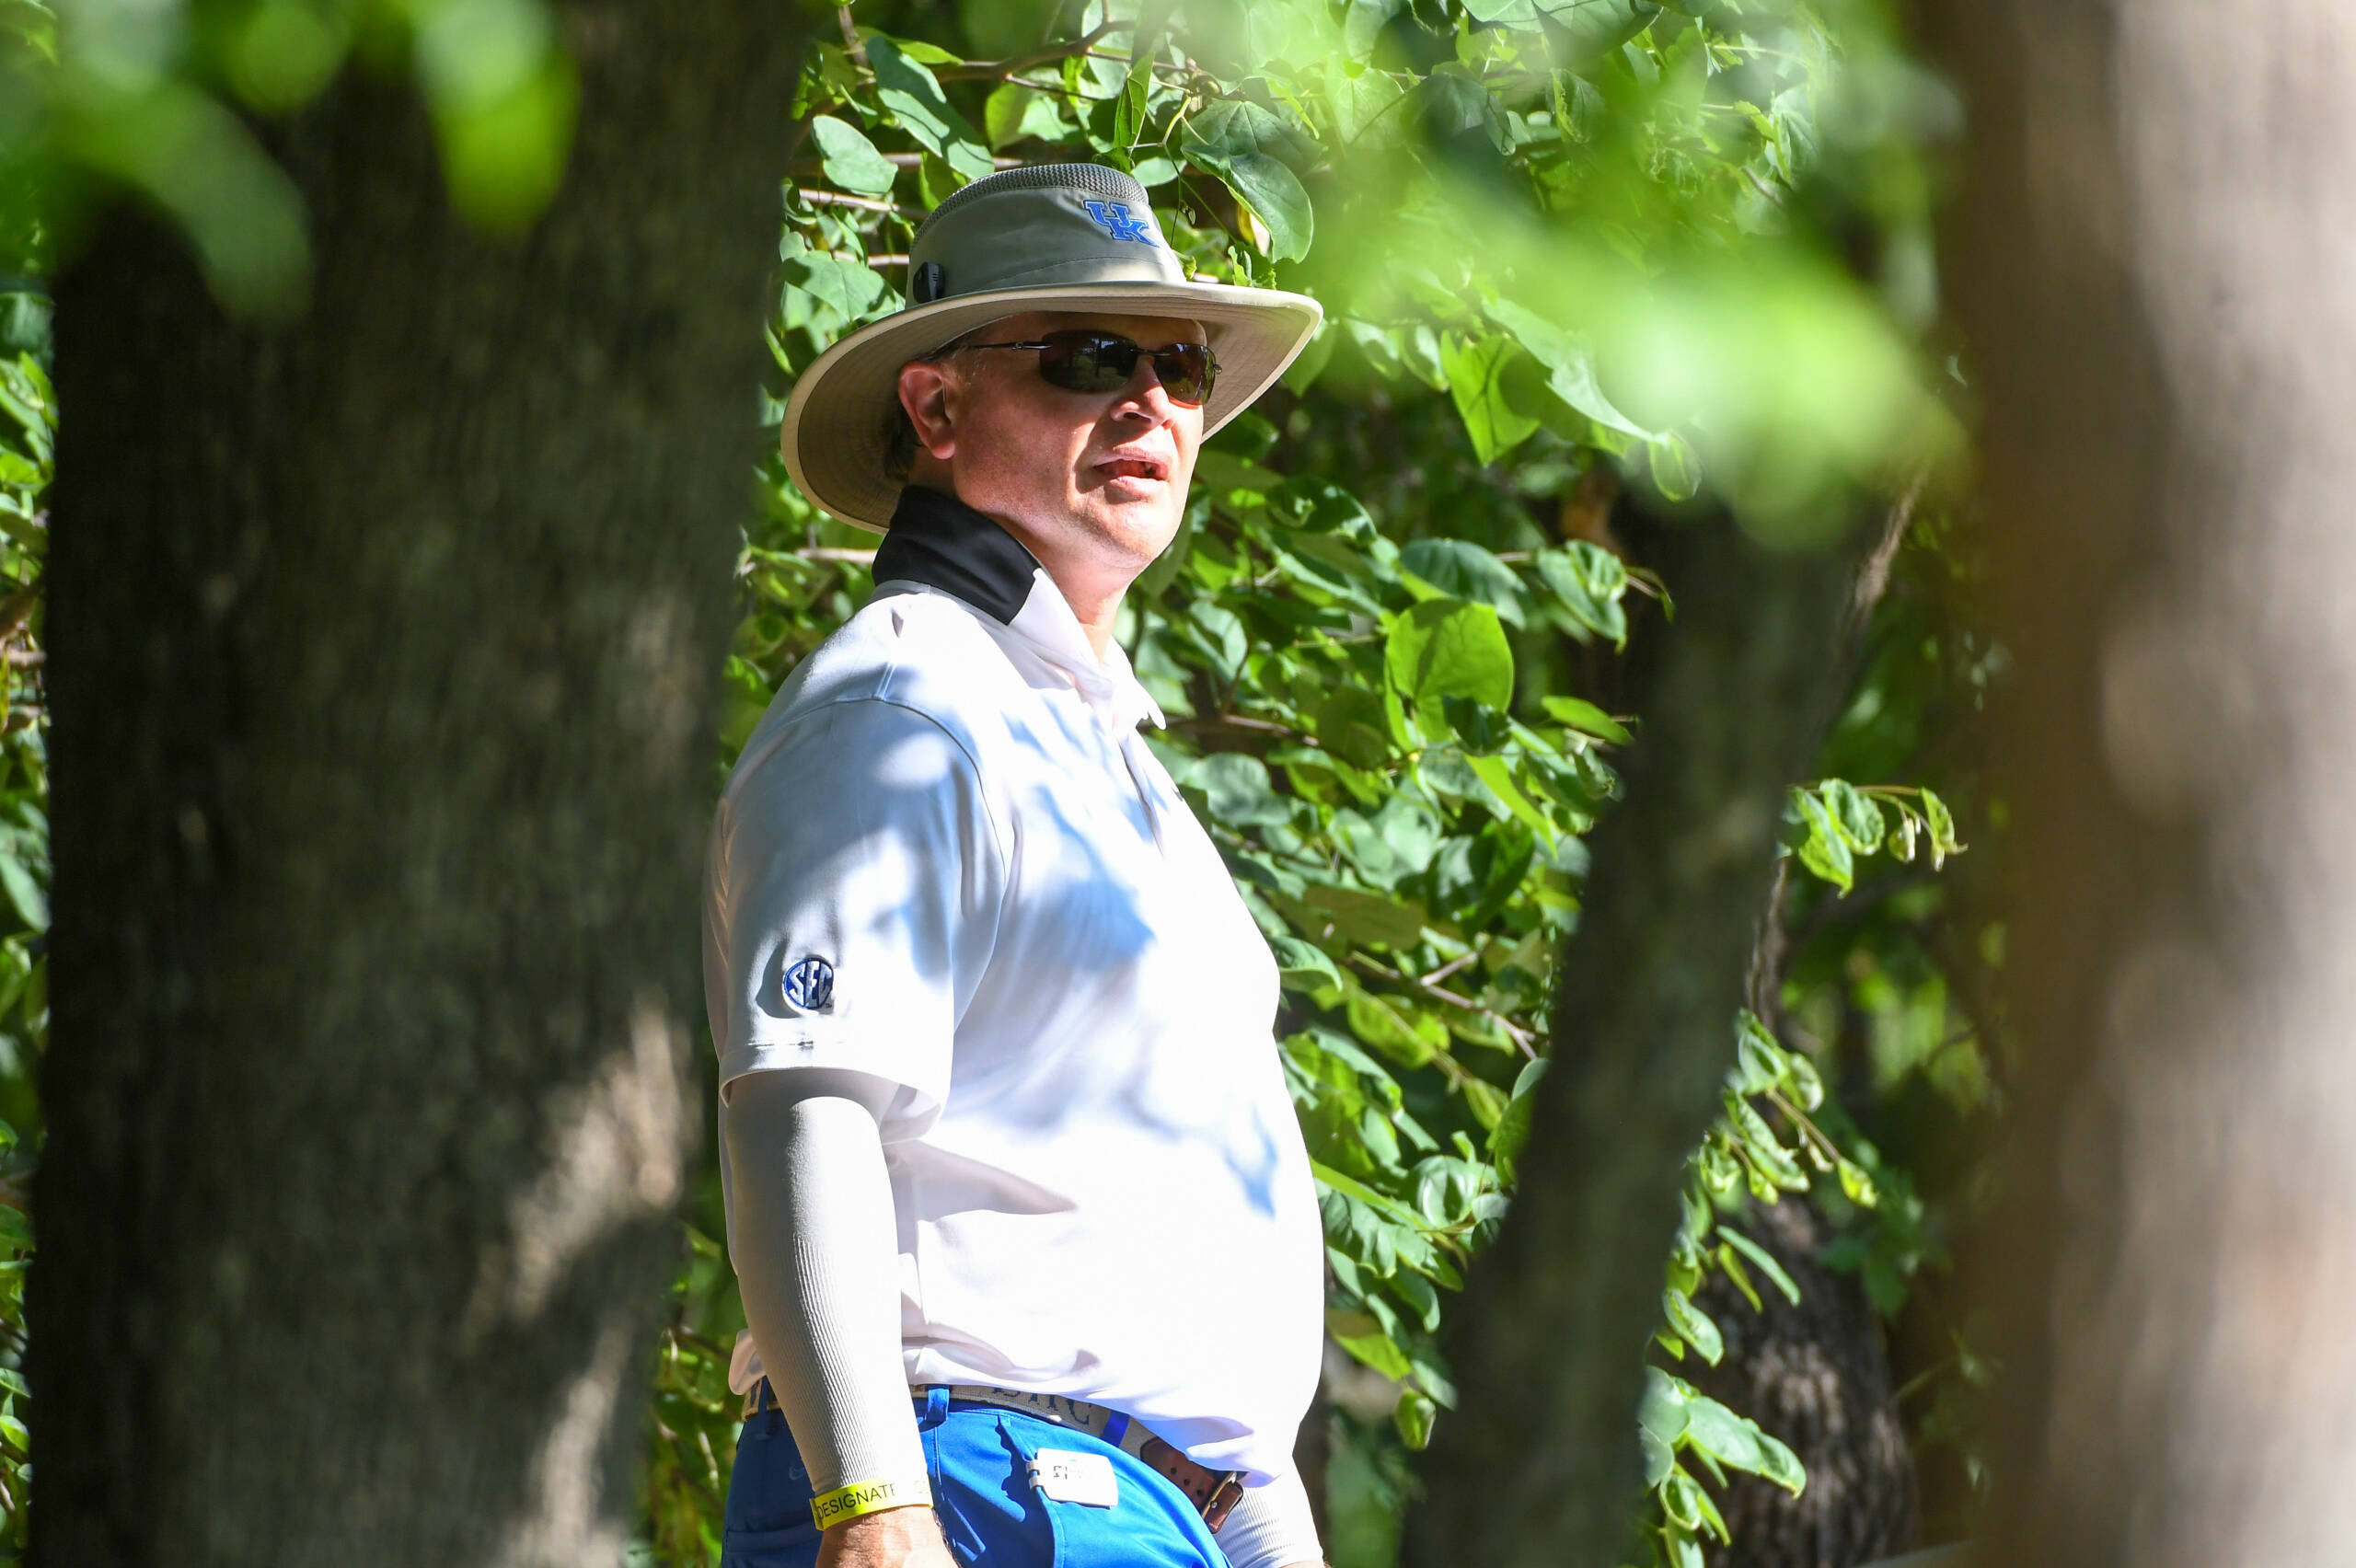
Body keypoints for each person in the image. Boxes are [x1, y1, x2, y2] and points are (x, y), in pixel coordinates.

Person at [702, 163, 1333, 1568]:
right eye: (1090, 357)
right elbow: (806, 1111)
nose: (1151, 401)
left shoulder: (1103, 756)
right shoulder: (901, 712)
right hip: (972, 1491)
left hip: (1142, 1511)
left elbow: (1201, 1282)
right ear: (935, 408)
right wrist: (873, 1507)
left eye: (1181, 365)